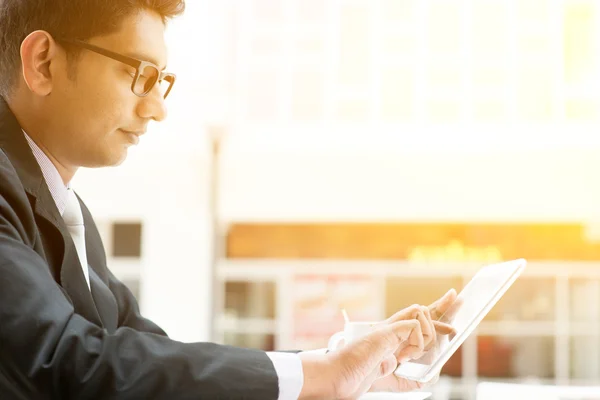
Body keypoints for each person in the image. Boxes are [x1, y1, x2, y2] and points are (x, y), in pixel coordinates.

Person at [0, 0, 458, 398]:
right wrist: (324, 373)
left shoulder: (64, 209)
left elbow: (144, 357)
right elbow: (66, 362)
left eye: (163, 81)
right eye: (140, 74)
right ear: (43, 63)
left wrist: (345, 366)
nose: (157, 108)